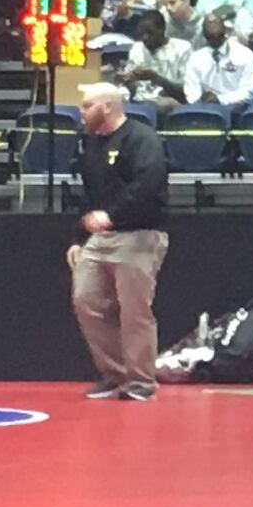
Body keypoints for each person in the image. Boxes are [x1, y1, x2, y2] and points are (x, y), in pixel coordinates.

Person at [70, 79, 170, 400]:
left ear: (107, 106)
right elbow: (88, 195)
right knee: (86, 301)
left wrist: (112, 215)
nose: (81, 112)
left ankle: (141, 380)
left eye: (87, 106)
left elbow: (149, 184)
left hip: (138, 234)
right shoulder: (91, 145)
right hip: (99, 238)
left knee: (134, 310)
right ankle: (115, 373)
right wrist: (78, 238)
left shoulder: (141, 139)